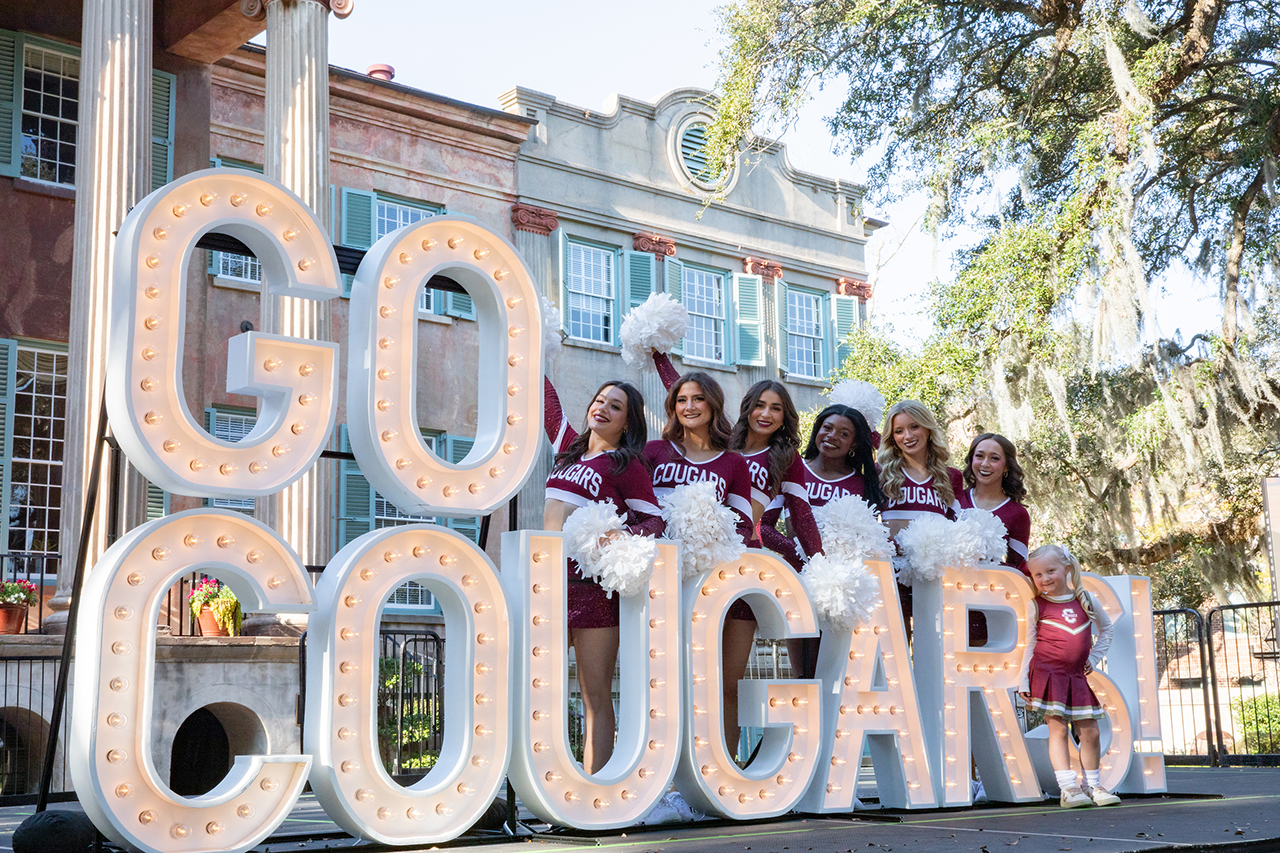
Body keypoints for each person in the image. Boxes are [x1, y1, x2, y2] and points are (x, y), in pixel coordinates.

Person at [543, 377, 665, 774]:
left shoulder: (625, 465)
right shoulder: (567, 453)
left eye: (615, 406)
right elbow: (547, 401)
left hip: (591, 591)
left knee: (593, 695)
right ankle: (549, 781)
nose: (603, 408)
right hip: (546, 585)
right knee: (537, 688)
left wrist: (618, 536)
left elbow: (653, 520)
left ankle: (596, 790)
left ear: (627, 422)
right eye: (599, 400)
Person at [644, 363, 756, 759]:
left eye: (698, 399)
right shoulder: (655, 451)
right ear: (672, 407)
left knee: (723, 682)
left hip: (716, 583)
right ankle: (667, 771)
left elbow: (744, 525)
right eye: (681, 400)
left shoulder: (733, 463)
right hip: (664, 583)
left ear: (713, 404)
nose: (689, 406)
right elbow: (637, 508)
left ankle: (724, 772)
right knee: (668, 680)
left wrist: (711, 539)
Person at [760, 403, 885, 677]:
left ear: (854, 443)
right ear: (817, 430)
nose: (832, 436)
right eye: (827, 428)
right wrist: (801, 555)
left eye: (844, 433)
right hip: (801, 581)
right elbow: (763, 527)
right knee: (805, 674)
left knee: (845, 675)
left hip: (848, 590)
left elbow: (877, 537)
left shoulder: (864, 483)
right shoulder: (793, 470)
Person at [1018, 544, 1120, 808]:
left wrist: (1093, 658)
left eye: (1050, 571)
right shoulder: (1036, 606)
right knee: (1058, 729)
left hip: (1076, 677)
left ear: (1067, 568)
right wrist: (1023, 679)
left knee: (1091, 731)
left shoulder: (1085, 600)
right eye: (1037, 575)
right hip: (1048, 675)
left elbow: (1106, 629)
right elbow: (1029, 644)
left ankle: (1093, 785)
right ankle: (1068, 788)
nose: (1044, 578)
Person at [878, 400, 963, 632]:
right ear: (892, 437)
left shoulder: (951, 477)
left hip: (934, 576)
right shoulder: (881, 474)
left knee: (936, 646)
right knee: (896, 647)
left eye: (914, 427)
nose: (907, 436)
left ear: (927, 429)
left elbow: (959, 527)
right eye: (899, 431)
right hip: (892, 574)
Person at [958, 433, 1032, 575]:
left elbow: (1018, 568)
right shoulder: (955, 500)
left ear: (1006, 466)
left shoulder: (1017, 514)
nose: (985, 464)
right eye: (980, 456)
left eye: (994, 458)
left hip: (991, 592)